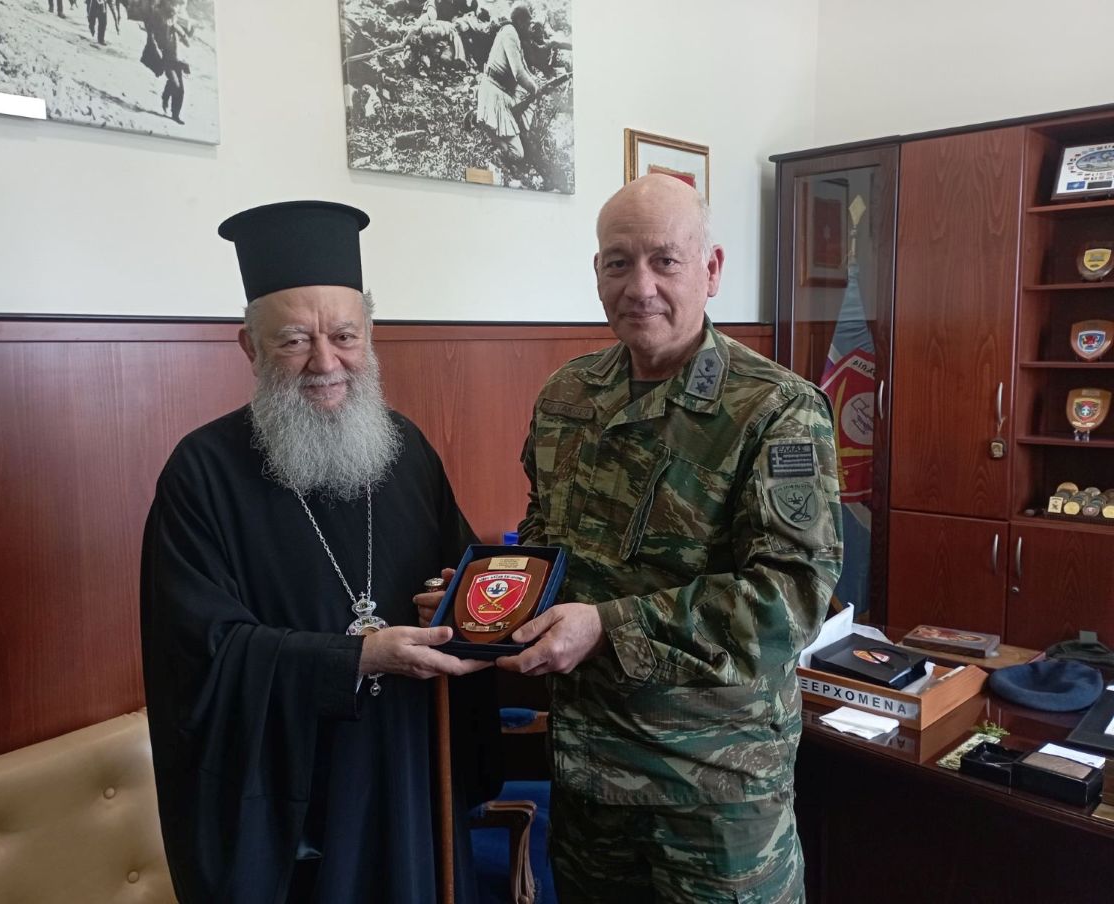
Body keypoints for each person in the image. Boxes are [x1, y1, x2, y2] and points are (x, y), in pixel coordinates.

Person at [141, 200, 500, 904]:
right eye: (294, 341)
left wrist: (462, 603)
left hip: (407, 774)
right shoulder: (201, 473)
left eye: (344, 336)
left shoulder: (407, 450)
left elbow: (466, 583)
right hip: (288, 804)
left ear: (370, 336)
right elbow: (201, 655)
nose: (326, 362)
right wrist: (356, 657)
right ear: (249, 347)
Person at [499, 174, 844, 902]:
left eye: (665, 261)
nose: (640, 286)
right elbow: (543, 534)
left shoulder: (776, 410)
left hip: (712, 795)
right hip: (588, 780)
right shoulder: (567, 395)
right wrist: (493, 598)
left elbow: (789, 599)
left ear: (711, 269)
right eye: (618, 262)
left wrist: (607, 627)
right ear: (597, 272)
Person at [474, 2, 539, 162]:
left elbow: (523, 67)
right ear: (520, 22)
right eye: (528, 24)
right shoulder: (510, 33)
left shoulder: (514, 34)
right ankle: (485, 127)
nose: (529, 28)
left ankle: (484, 119)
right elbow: (519, 73)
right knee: (517, 154)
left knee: (524, 108)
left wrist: (536, 83)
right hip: (494, 92)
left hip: (503, 93)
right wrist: (535, 89)